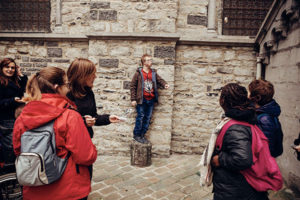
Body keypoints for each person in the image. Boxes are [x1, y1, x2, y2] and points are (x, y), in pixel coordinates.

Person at [13, 67, 97, 200]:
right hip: (68, 189)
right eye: (66, 84)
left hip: (35, 186)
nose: (68, 88)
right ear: (57, 87)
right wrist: (93, 150)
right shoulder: (70, 116)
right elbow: (85, 156)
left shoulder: (23, 116)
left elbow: (18, 150)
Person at [211, 83, 269, 200]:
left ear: (223, 100)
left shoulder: (236, 127)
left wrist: (219, 159)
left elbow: (242, 159)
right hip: (238, 186)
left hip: (235, 190)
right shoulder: (243, 119)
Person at [66, 58, 120, 179]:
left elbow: (93, 117)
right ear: (82, 75)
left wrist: (108, 119)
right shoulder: (65, 94)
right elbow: (63, 120)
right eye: (92, 74)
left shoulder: (88, 93)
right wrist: (82, 121)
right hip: (69, 146)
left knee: (86, 177)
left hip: (85, 142)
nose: (95, 76)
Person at [130, 54, 169, 144]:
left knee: (147, 118)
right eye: (149, 60)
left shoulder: (153, 73)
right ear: (144, 62)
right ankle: (136, 136)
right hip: (141, 100)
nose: (151, 61)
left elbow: (160, 80)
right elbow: (133, 86)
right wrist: (133, 99)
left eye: (151, 60)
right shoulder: (138, 73)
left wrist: (164, 84)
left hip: (151, 99)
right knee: (140, 117)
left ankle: (142, 136)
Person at [0, 58, 27, 164]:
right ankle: (8, 173)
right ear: (1, 68)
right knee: (10, 147)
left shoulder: (12, 80)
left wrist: (20, 75)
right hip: (5, 119)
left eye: (12, 68)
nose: (10, 70)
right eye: (7, 67)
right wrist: (12, 100)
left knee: (16, 144)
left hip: (14, 117)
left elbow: (21, 91)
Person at [248, 79, 283, 158]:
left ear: (257, 97)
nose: (248, 95)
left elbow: (266, 150)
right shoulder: (259, 113)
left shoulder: (265, 119)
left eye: (249, 92)